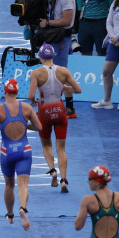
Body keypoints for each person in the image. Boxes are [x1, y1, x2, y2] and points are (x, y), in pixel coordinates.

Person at [0, 79, 42, 231]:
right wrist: (24, 125)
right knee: (23, 185)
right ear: (17, 92)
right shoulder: (26, 108)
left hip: (7, 152)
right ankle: (23, 208)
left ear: (5, 92)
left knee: (9, 184)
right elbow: (38, 127)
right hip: (24, 150)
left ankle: (10, 215)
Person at [28, 43, 82, 193]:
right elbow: (78, 90)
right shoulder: (64, 71)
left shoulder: (36, 73)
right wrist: (64, 88)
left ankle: (52, 171)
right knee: (61, 149)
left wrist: (33, 101)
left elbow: (31, 96)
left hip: (44, 111)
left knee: (46, 146)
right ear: (53, 56)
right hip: (59, 110)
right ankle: (64, 180)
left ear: (40, 57)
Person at [37, 0, 76, 70]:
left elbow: (67, 21)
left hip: (62, 37)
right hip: (51, 35)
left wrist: (47, 23)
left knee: (59, 69)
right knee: (46, 68)